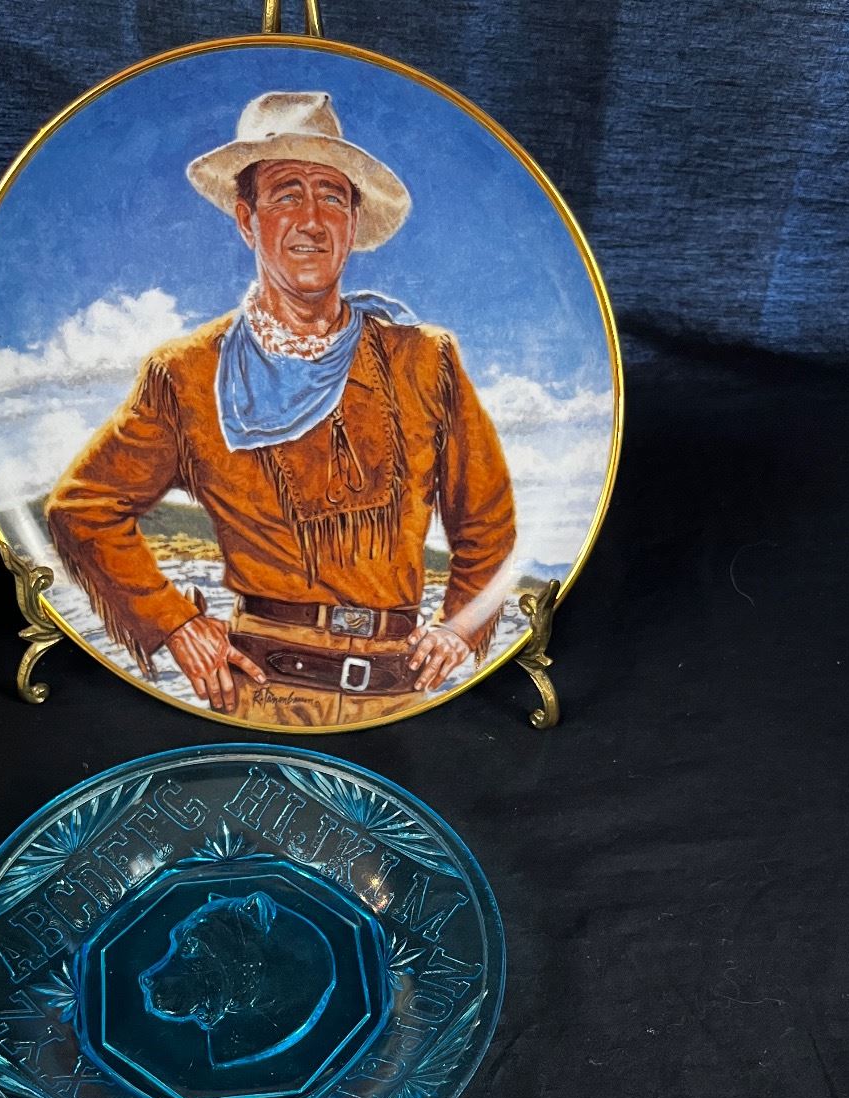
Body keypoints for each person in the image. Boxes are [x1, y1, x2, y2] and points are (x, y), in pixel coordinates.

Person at [46, 90, 518, 726]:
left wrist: (460, 627)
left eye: (332, 197)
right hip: (260, 694)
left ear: (353, 222)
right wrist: (176, 622)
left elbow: (487, 521)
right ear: (247, 220)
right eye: (287, 195)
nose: (312, 220)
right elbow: (83, 508)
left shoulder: (424, 359)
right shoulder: (187, 372)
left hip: (400, 693)